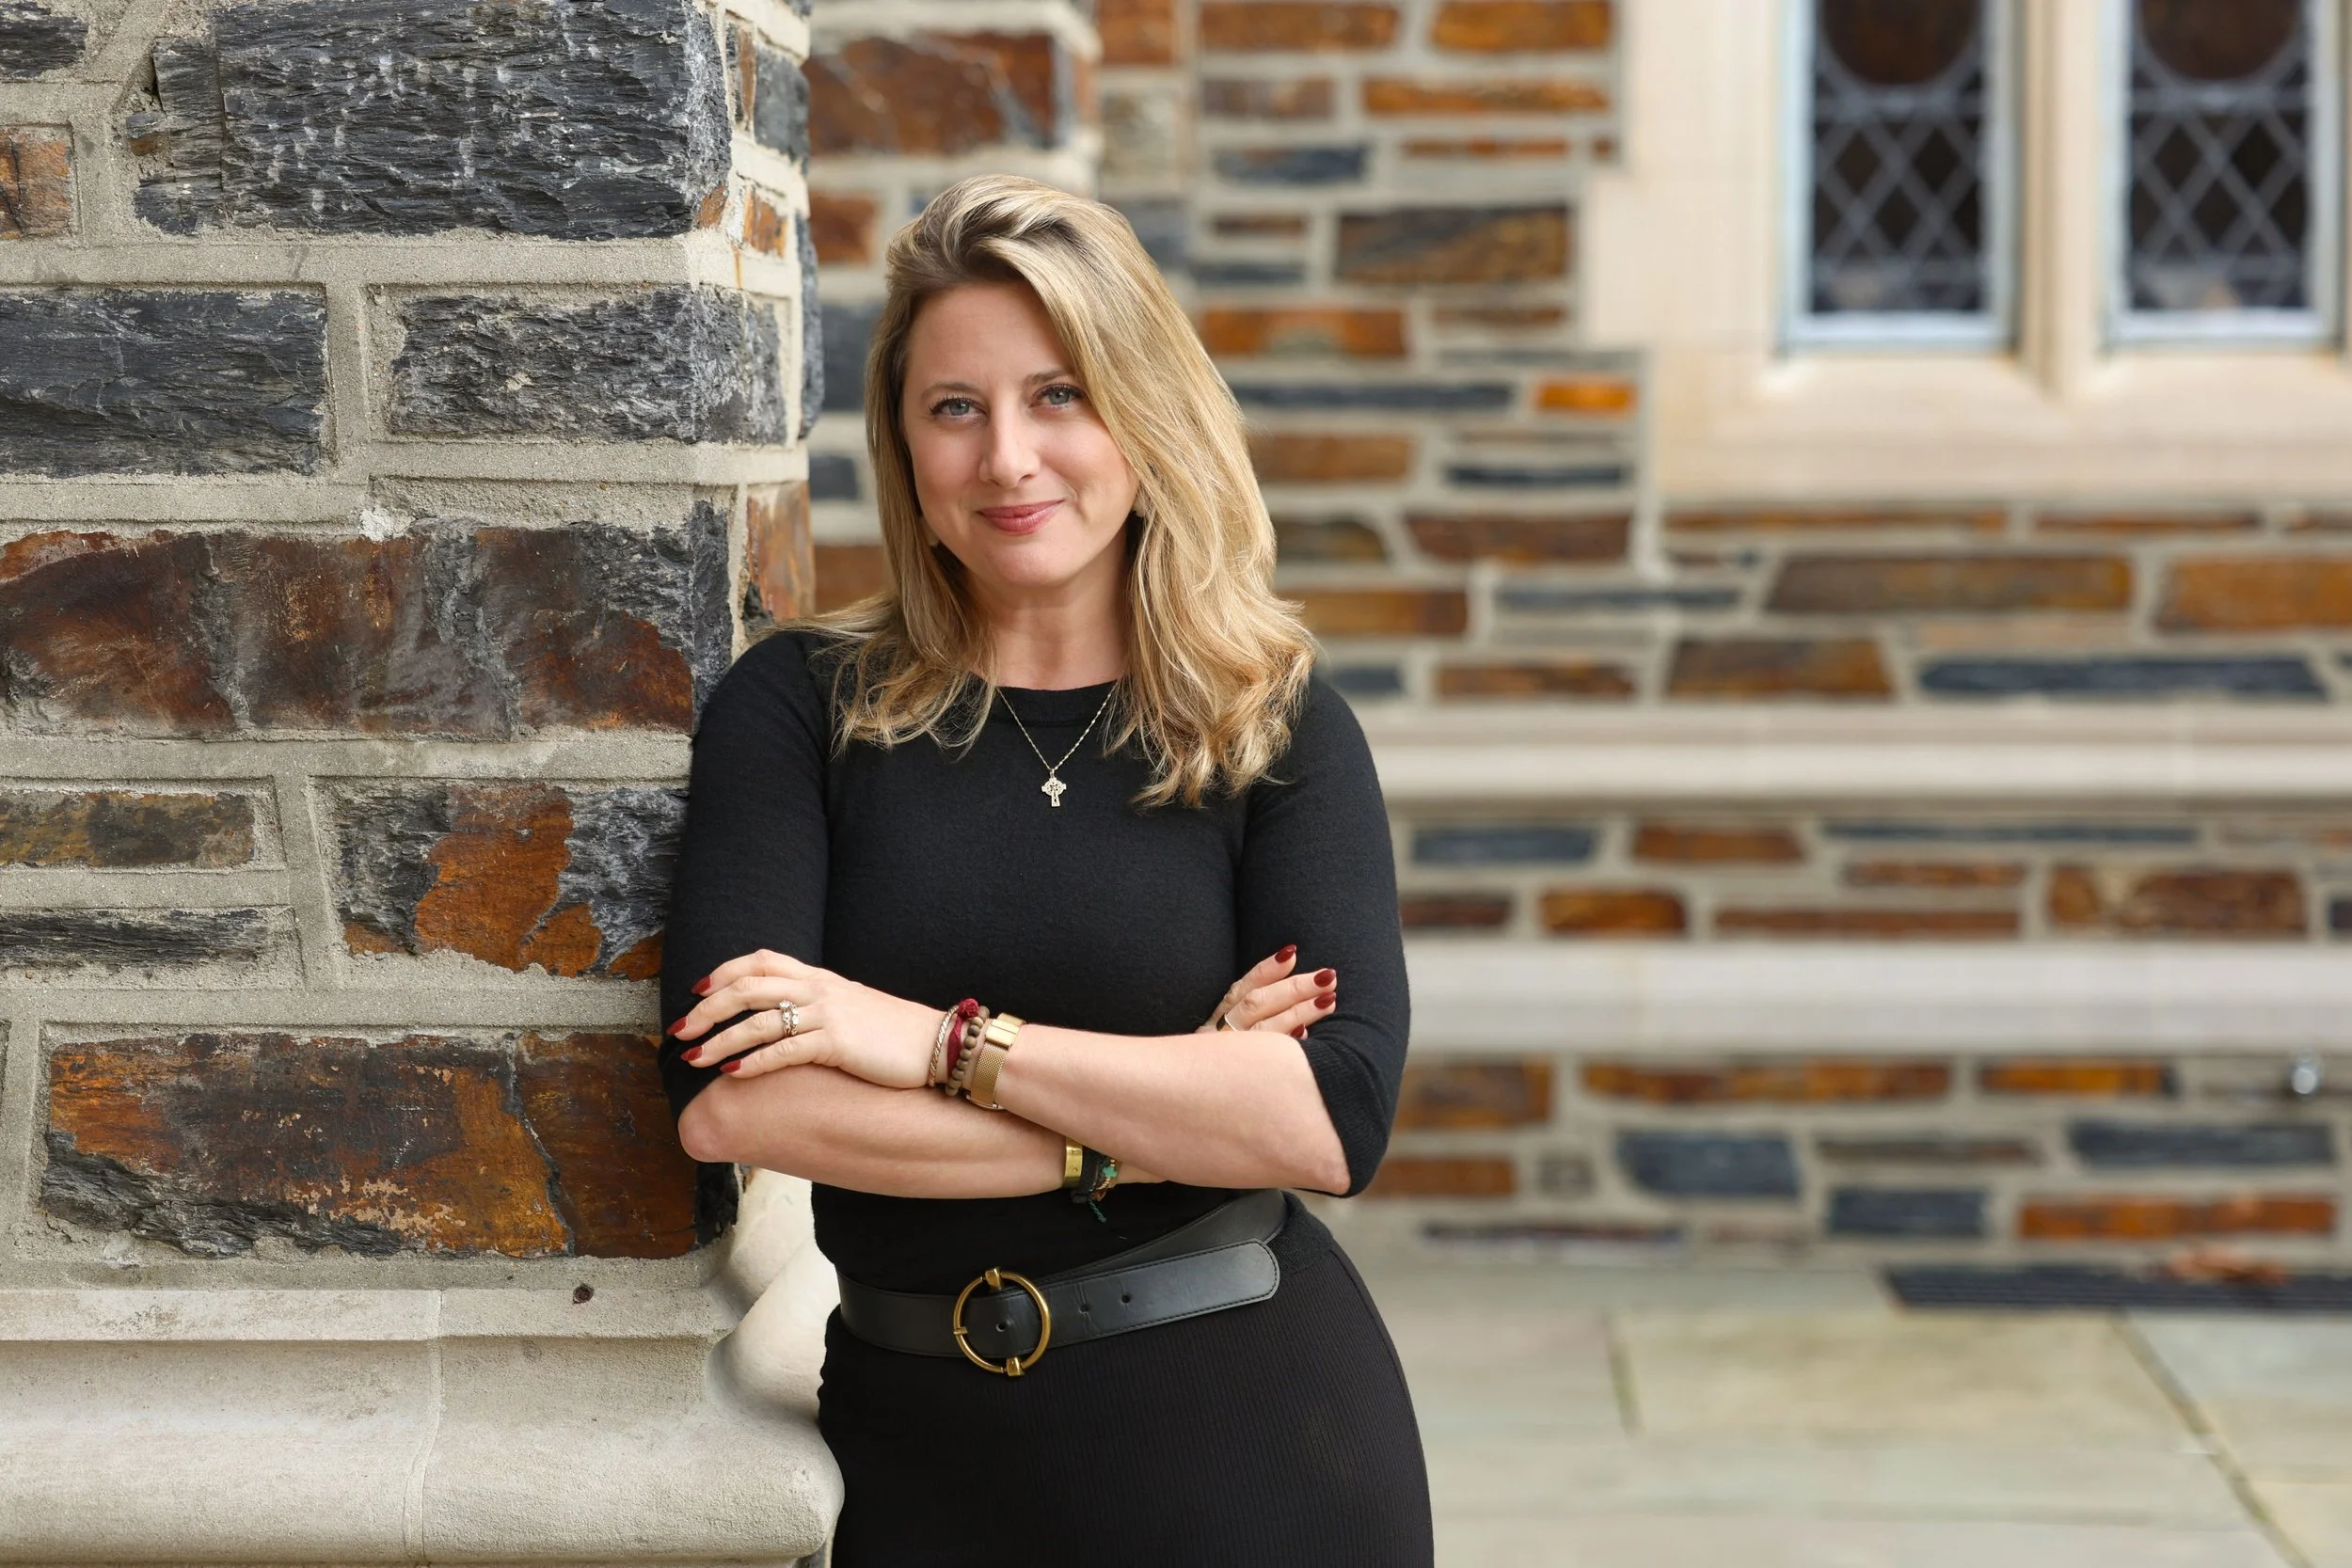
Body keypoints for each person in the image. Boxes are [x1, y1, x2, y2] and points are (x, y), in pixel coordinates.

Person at [658, 173, 1432, 1566]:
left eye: (1058, 394)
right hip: (921, 1467)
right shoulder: (800, 712)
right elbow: (729, 1102)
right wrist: (1167, 1103)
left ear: (1143, 413)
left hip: (1257, 1450)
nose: (1008, 456)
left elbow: (1327, 1122)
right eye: (957, 407)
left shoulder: (1274, 724)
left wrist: (928, 1041)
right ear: (903, 442)